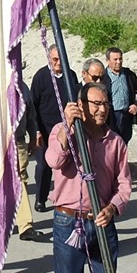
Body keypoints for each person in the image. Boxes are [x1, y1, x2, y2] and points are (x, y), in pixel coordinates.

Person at [46, 82, 131, 273]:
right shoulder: (62, 131)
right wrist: (67, 126)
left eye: (105, 104)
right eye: (96, 104)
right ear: (81, 105)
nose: (102, 109)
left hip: (102, 222)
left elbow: (123, 185)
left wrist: (111, 208)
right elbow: (54, 160)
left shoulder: (116, 142)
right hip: (69, 222)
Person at [31, 45, 79, 212]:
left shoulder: (70, 75)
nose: (58, 63)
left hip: (64, 128)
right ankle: (40, 198)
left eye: (60, 59)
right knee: (44, 166)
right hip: (44, 129)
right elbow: (33, 106)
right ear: (49, 59)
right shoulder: (41, 77)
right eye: (55, 59)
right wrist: (36, 130)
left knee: (66, 165)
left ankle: (65, 198)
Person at [15, 76, 45, 242]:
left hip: (18, 141)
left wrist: (33, 137)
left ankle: (25, 225)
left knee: (20, 181)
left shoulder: (22, 87)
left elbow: (30, 115)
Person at [104, 47, 137, 145]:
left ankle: (122, 160)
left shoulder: (128, 74)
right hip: (111, 116)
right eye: (115, 59)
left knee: (124, 141)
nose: (118, 62)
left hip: (127, 114)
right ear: (107, 60)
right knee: (111, 143)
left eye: (120, 59)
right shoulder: (103, 77)